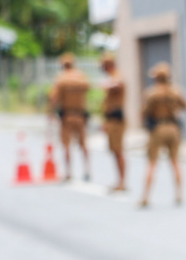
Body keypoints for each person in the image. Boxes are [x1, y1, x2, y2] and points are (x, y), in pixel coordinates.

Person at [139, 62, 186, 208]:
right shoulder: (176, 91)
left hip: (158, 128)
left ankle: (146, 197)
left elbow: (144, 112)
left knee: (152, 162)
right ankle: (179, 194)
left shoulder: (151, 93)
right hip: (173, 128)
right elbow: (185, 105)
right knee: (175, 162)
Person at [48, 53, 91, 181]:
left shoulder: (61, 79)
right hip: (81, 115)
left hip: (67, 116)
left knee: (66, 144)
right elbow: (88, 91)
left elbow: (53, 98)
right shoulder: (81, 77)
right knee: (83, 144)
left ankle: (68, 172)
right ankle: (87, 169)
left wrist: (50, 112)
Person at [99, 53, 128, 192]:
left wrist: (107, 85)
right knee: (115, 152)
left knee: (118, 151)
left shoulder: (117, 76)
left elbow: (117, 83)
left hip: (117, 120)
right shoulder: (112, 77)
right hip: (111, 119)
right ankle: (119, 181)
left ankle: (122, 182)